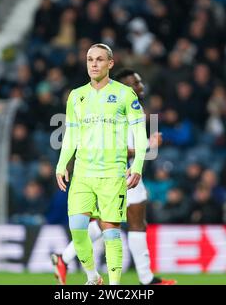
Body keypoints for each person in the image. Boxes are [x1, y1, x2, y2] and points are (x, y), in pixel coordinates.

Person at [53, 68, 176, 285]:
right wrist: (148, 145)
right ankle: (66, 259)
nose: (141, 86)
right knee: (114, 224)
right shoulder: (117, 109)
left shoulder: (131, 107)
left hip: (127, 172)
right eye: (136, 83)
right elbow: (117, 147)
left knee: (126, 224)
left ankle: (65, 258)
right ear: (126, 86)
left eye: (140, 82)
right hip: (115, 173)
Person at [55, 44, 148, 285]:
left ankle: (114, 287)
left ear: (110, 63)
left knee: (111, 232)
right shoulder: (76, 96)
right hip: (83, 174)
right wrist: (62, 163)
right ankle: (93, 277)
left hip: (112, 173)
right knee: (77, 229)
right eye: (89, 59)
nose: (94, 64)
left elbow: (140, 134)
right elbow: (71, 135)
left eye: (99, 59)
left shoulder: (126, 95)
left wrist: (137, 166)